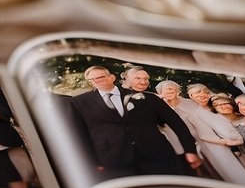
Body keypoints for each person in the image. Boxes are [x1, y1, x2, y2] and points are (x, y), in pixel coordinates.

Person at [68, 65, 201, 178]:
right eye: (92, 79)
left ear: (112, 77)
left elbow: (177, 123)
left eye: (101, 77)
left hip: (157, 154)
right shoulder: (78, 102)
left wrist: (190, 150)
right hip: (114, 161)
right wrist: (92, 163)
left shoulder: (147, 98)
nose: (97, 81)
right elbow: (79, 135)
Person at [173, 82, 245, 187]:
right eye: (197, 93)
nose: (202, 95)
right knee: (241, 175)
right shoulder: (194, 114)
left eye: (205, 92)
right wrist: (227, 142)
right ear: (191, 96)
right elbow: (204, 134)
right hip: (224, 146)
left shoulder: (217, 105)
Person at [201, 90, 245, 187]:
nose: (222, 106)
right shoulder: (219, 123)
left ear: (232, 104)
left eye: (225, 103)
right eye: (217, 105)